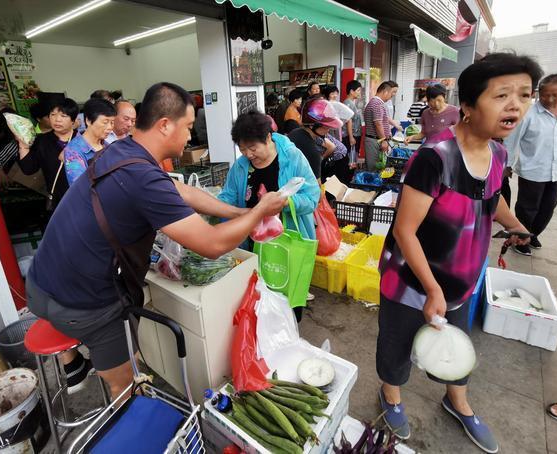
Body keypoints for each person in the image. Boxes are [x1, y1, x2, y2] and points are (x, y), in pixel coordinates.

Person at [25, 82, 287, 400]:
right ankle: (128, 421)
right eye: (188, 126)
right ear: (165, 125)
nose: (191, 136)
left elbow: (183, 192)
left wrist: (238, 212)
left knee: (128, 356)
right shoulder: (142, 176)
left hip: (38, 286)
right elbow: (212, 244)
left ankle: (83, 363)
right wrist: (259, 211)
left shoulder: (122, 150)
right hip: (80, 302)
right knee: (124, 387)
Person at [376, 53, 542, 453]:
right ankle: (391, 396)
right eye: (501, 95)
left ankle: (457, 400)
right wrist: (432, 289)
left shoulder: (498, 153)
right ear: (466, 106)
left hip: (462, 278)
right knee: (398, 343)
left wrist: (514, 224)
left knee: (456, 345)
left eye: (524, 95)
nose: (515, 105)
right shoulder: (434, 157)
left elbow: (492, 199)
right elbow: (405, 230)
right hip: (411, 280)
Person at [218, 110, 320, 312]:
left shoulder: (292, 157)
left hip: (286, 247)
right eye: (242, 149)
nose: (248, 154)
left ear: (267, 138)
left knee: (287, 304)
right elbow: (228, 198)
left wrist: (285, 202)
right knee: (258, 306)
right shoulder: (241, 166)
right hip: (252, 249)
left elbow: (312, 198)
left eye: (252, 148)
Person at [504, 73, 557, 256]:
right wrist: (506, 165)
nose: (548, 99)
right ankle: (521, 238)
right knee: (527, 208)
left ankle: (533, 234)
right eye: (544, 94)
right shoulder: (528, 112)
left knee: (548, 207)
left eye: (555, 94)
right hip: (532, 170)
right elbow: (512, 139)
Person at [17, 98, 79, 210]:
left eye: (63, 116)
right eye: (53, 114)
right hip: (59, 201)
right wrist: (23, 146)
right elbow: (29, 169)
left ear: (73, 121)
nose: (57, 120)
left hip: (84, 197)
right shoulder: (42, 141)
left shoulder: (82, 139)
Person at [287, 98, 342, 181]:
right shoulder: (313, 154)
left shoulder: (295, 132)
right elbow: (316, 187)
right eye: (326, 126)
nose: (328, 129)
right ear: (312, 125)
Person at [64, 98, 116, 185]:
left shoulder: (107, 146)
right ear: (88, 121)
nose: (110, 127)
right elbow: (80, 187)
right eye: (105, 122)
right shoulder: (73, 151)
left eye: (112, 122)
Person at [364, 81, 395, 170]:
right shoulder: (377, 104)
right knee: (374, 168)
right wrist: (384, 141)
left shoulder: (377, 103)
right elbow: (378, 124)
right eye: (391, 93)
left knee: (378, 168)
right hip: (375, 141)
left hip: (376, 140)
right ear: (385, 92)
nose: (391, 96)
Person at [342, 80, 364, 171]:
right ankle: (348, 178)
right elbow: (348, 121)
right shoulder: (348, 103)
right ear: (351, 91)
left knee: (353, 158)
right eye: (358, 90)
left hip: (355, 135)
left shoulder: (351, 102)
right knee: (350, 160)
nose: (360, 93)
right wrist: (351, 137)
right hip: (351, 136)